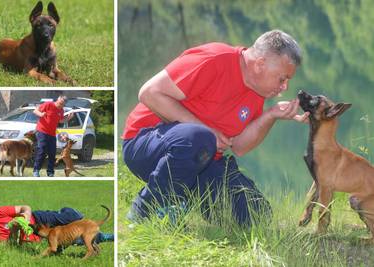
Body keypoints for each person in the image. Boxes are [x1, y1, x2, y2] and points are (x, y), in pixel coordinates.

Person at [122, 29, 310, 226]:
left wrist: (271, 115)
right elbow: (149, 93)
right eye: (282, 78)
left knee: (256, 213)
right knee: (201, 137)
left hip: (200, 160)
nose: (285, 87)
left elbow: (239, 146)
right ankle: (144, 210)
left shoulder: (257, 93)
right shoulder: (214, 59)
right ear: (260, 64)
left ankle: (179, 198)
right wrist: (208, 132)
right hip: (144, 143)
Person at [0, 205, 114, 245]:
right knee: (76, 238)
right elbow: (12, 246)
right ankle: (106, 237)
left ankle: (65, 211)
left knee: (74, 217)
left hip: (37, 219)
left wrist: (25, 217)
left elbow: (25, 207)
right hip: (40, 237)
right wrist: (14, 231)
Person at [33, 95, 73, 177]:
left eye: (62, 104)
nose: (60, 105)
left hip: (52, 134)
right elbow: (35, 111)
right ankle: (36, 170)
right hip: (42, 131)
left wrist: (68, 119)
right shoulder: (48, 104)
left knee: (52, 153)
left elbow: (60, 120)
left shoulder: (61, 110)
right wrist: (41, 114)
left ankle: (50, 172)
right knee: (42, 150)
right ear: (57, 100)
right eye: (60, 103)